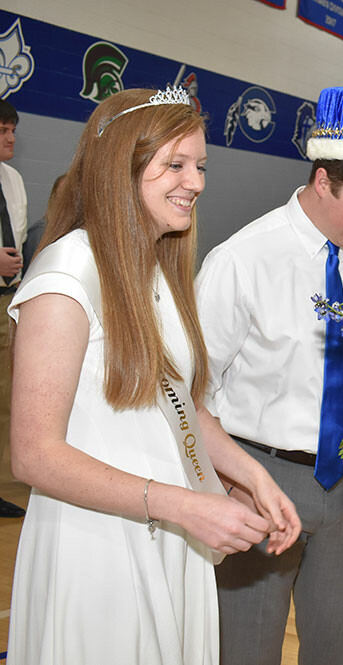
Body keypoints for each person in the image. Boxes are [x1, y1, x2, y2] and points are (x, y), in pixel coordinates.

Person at [6, 87, 300, 664]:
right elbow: (33, 455)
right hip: (99, 546)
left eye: (200, 165)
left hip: (167, 527)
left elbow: (179, 407)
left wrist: (250, 474)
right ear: (122, 168)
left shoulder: (154, 268)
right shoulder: (66, 276)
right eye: (175, 164)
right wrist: (184, 506)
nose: (197, 182)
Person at [195, 86, 343, 665]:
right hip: (258, 478)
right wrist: (227, 482)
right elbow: (189, 394)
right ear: (322, 179)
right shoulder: (241, 260)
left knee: (332, 647)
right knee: (246, 649)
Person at [0, 99, 27, 518]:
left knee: (5, 398)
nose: (10, 138)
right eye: (3, 130)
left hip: (7, 300)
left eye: (12, 131)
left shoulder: (13, 179)